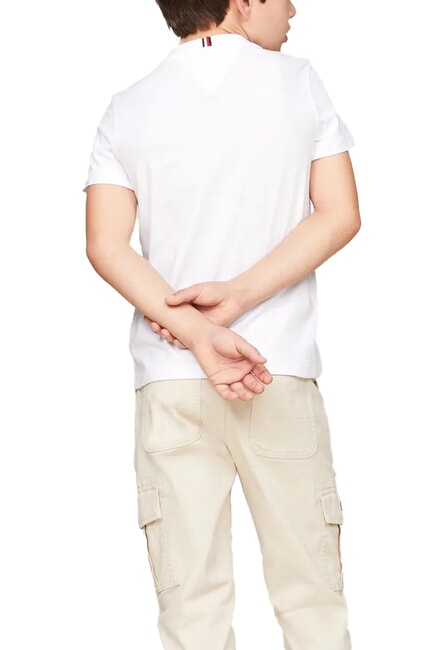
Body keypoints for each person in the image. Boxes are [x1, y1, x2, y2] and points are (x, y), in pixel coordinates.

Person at [83, 0, 360, 648]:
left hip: (171, 381)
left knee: (191, 612)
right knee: (311, 599)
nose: (293, 9)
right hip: (272, 368)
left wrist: (196, 333)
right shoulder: (299, 83)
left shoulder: (127, 107)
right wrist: (235, 299)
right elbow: (339, 213)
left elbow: (106, 245)